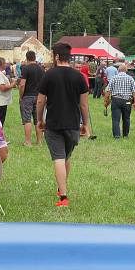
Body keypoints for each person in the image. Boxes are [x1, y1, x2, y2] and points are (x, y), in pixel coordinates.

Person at [36, 42, 90, 207]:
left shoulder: (48, 75)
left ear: (57, 56)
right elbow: (84, 105)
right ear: (69, 56)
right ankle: (61, 187)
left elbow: (40, 101)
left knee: (59, 158)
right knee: (66, 157)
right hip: (73, 124)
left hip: (53, 123)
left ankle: (63, 197)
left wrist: (39, 120)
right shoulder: (79, 76)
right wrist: (85, 124)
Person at [18, 50, 45, 146]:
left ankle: (28, 141)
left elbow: (22, 84)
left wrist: (21, 96)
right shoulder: (41, 69)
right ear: (35, 57)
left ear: (27, 58)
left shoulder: (26, 68)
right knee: (38, 119)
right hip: (39, 97)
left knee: (27, 119)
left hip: (28, 96)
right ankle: (39, 141)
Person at [105, 63, 135, 139]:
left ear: (118, 70)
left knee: (116, 119)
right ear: (126, 70)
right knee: (126, 118)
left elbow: (108, 91)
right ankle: (125, 135)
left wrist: (106, 101)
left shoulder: (114, 78)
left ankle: (117, 135)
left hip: (116, 100)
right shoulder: (130, 78)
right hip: (127, 101)